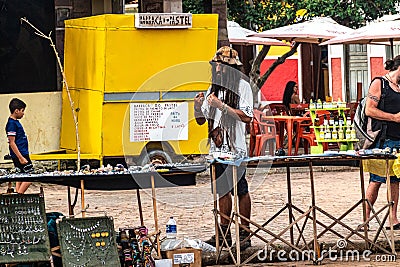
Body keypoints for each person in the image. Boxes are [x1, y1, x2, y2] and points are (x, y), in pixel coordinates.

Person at [194, 46, 253, 250]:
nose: (218, 70)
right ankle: (224, 233)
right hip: (217, 152)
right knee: (222, 191)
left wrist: (222, 106)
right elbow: (202, 120)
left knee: (241, 190)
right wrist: (197, 105)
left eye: (222, 67)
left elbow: (247, 116)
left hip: (236, 151)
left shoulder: (243, 87)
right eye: (216, 66)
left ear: (231, 69)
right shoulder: (213, 88)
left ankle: (245, 234)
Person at [364, 55, 400, 230]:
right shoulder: (380, 83)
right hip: (383, 140)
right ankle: (366, 218)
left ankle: (393, 219)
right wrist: (393, 117)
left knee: (395, 180)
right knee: (376, 180)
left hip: (398, 139)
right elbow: (369, 109)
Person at [6, 98, 33, 194]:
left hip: (23, 152)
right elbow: (11, 142)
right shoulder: (12, 124)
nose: (23, 113)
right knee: (30, 176)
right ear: (16, 111)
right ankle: (19, 195)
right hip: (20, 154)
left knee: (21, 175)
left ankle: (18, 192)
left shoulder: (15, 122)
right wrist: (20, 157)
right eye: (22, 111)